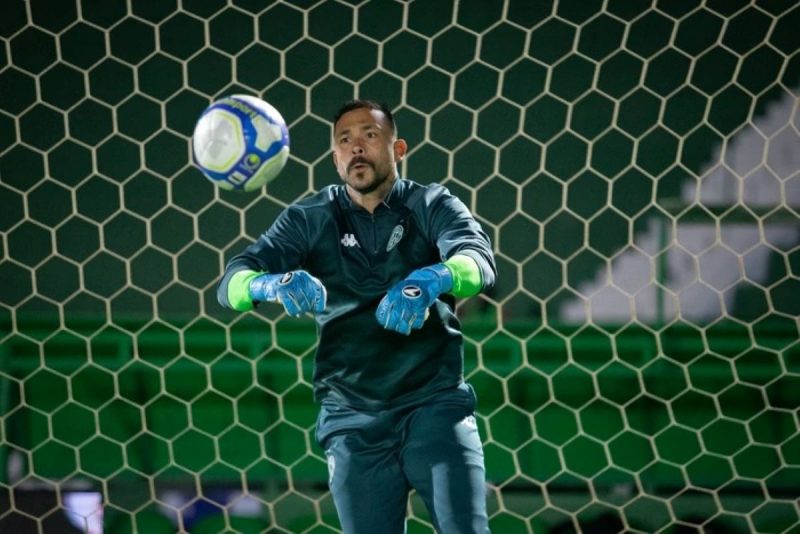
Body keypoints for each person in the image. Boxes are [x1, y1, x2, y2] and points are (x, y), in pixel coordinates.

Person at [217, 99, 497, 534]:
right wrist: (267, 285)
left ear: (398, 148)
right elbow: (231, 283)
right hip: (351, 418)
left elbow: (479, 262)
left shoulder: (431, 203)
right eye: (344, 141)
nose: (356, 148)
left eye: (369, 135)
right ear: (334, 158)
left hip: (434, 405)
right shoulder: (308, 219)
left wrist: (434, 278)